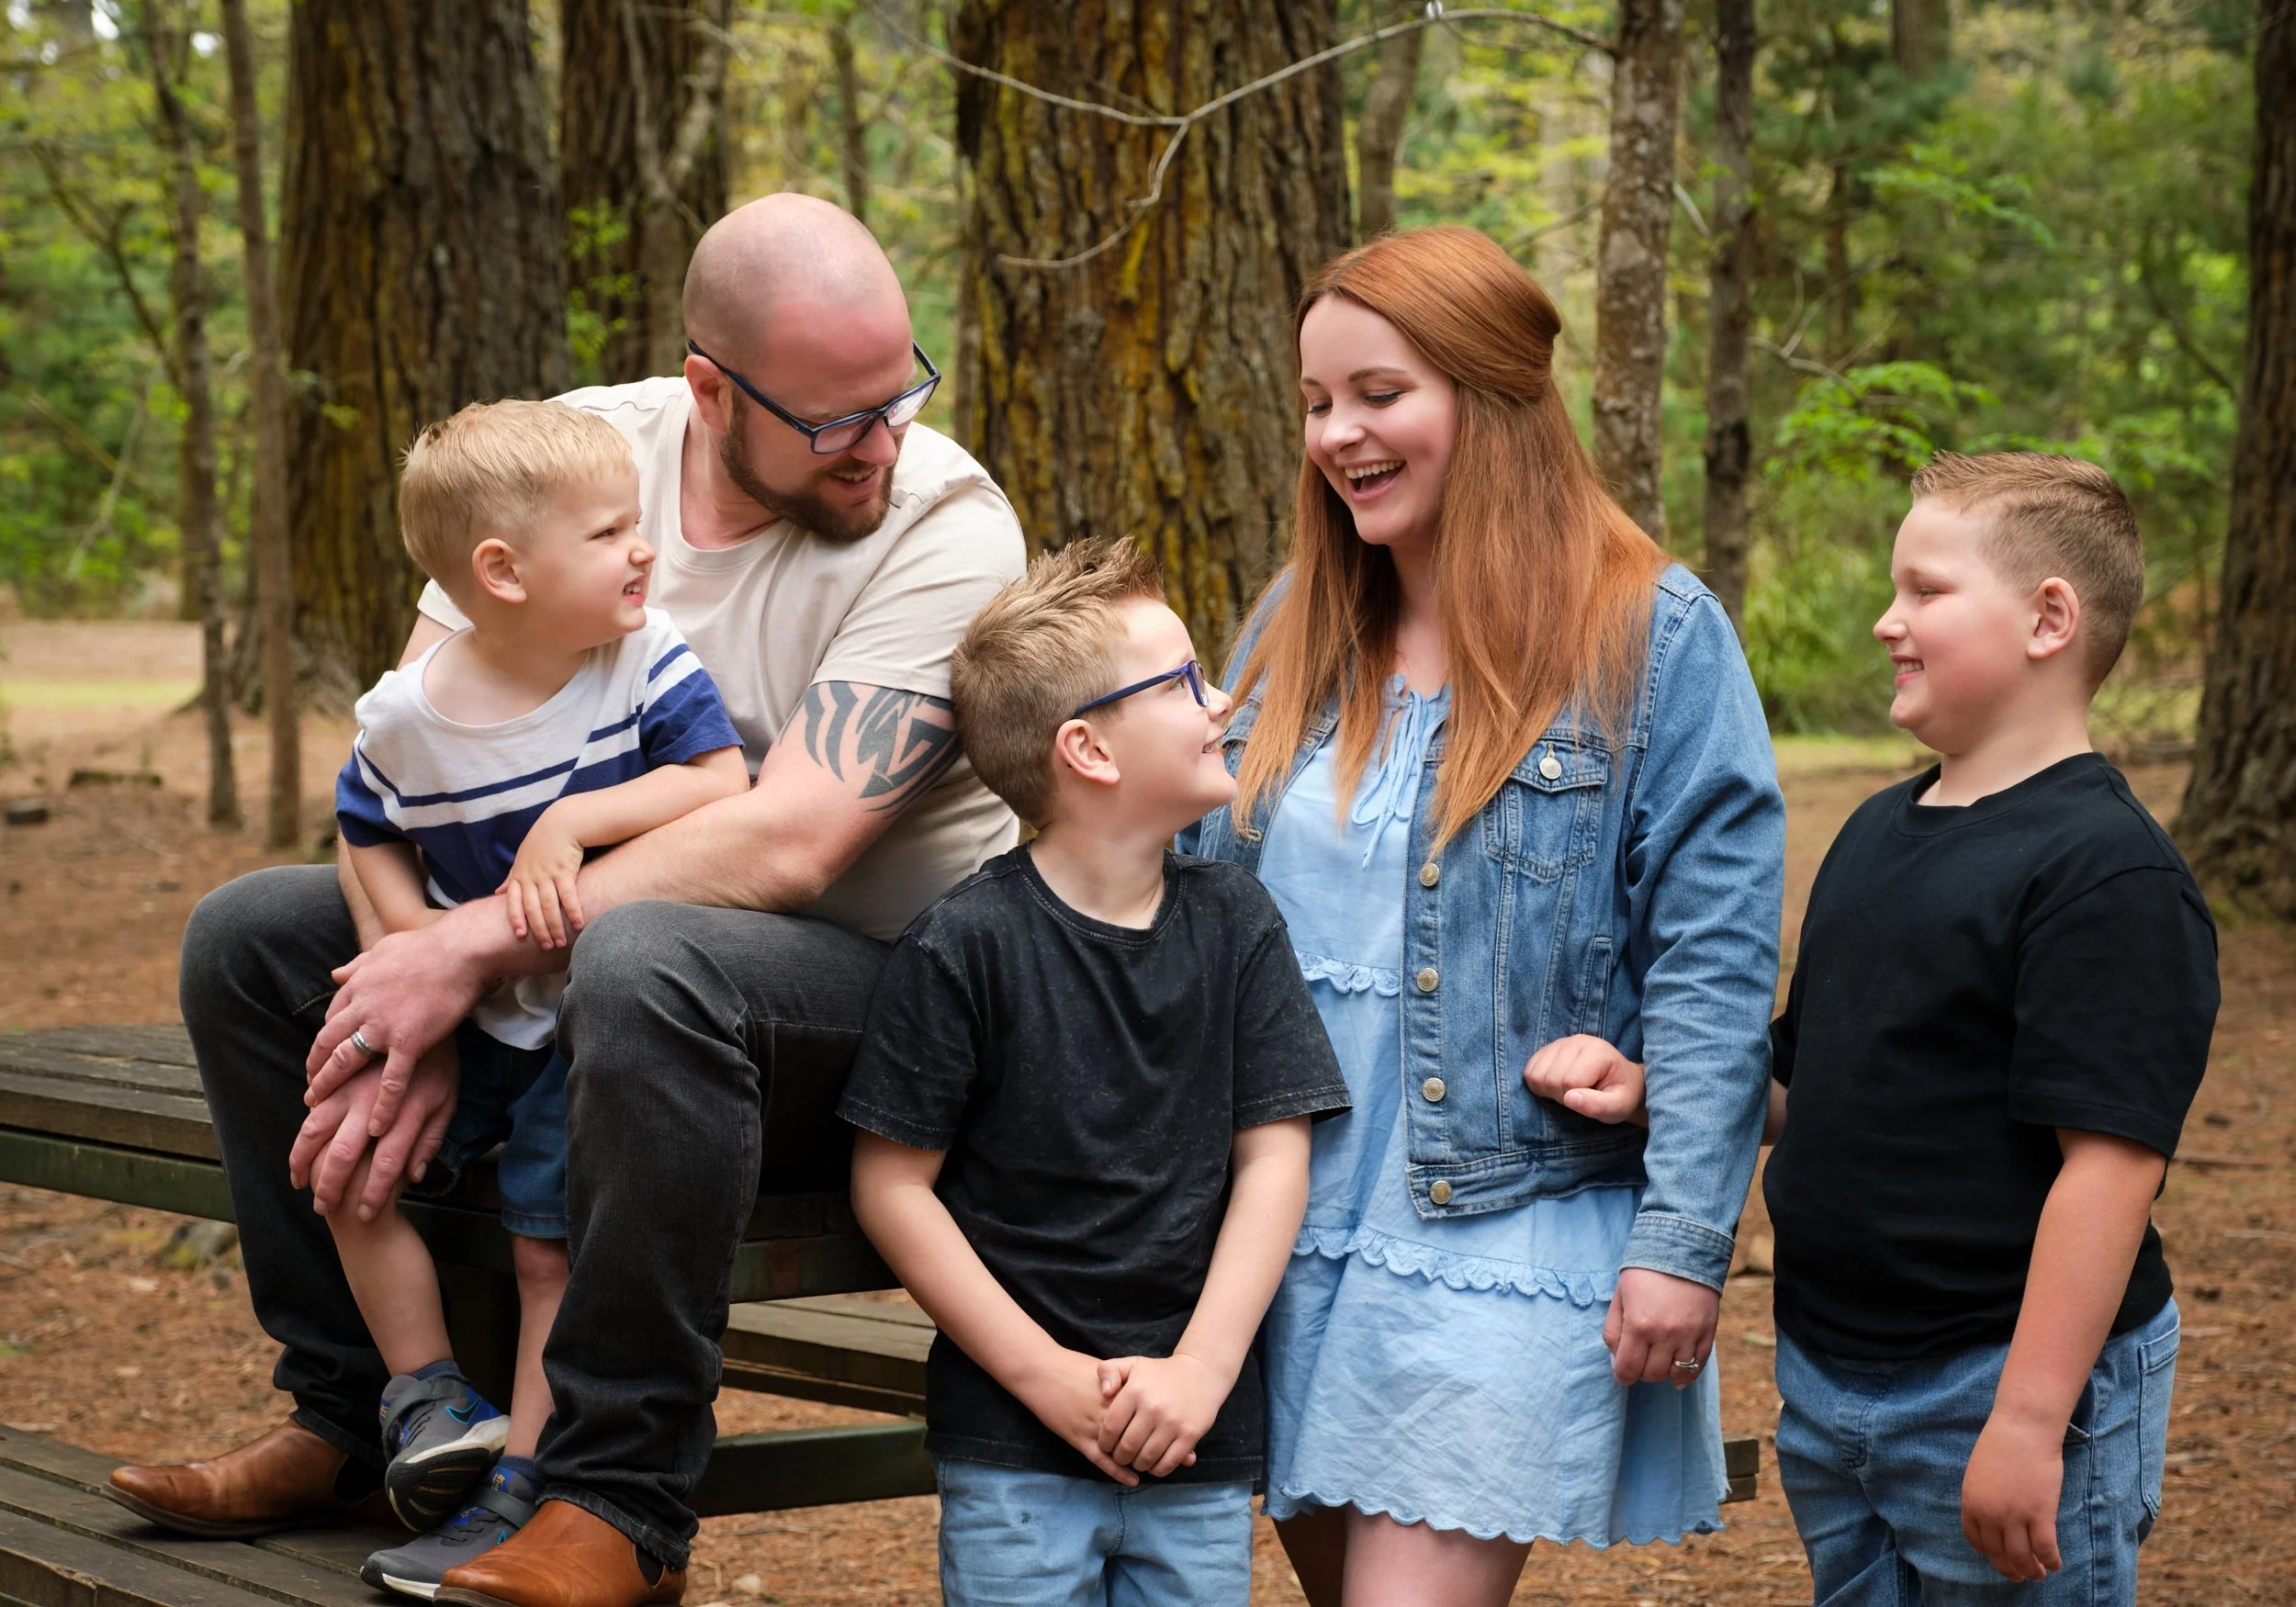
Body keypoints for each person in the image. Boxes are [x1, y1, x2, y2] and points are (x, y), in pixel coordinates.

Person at [108, 195, 1027, 1607]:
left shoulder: (945, 524)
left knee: (653, 958)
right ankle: (359, 1414)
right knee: (249, 937)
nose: (882, 442)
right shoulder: (580, 455)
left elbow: (790, 843)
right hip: (583, 962)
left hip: (873, 996)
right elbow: (403, 760)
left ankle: (615, 1496)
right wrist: (405, 988)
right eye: (839, 417)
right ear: (713, 387)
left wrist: (466, 953)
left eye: (902, 391)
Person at [1178, 226, 1785, 1606]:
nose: (1339, 434)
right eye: (1319, 402)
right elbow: (1190, 892)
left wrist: (1684, 1240)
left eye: (1380, 393)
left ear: (1494, 390)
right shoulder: (1295, 622)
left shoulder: (1654, 636)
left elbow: (1713, 958)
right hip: (1274, 1218)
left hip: (1497, 1220)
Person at [841, 540, 1352, 1606]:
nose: (1221, 700)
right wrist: (1045, 1378)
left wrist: (1205, 1372)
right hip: (1014, 1448)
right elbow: (892, 1185)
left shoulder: (1236, 921)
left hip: (1195, 1439)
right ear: (1088, 749)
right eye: (1182, 681)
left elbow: (1273, 1159)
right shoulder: (964, 945)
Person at [1764, 453, 2212, 1601]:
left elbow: (2107, 1173)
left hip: (1999, 1391)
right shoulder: (1875, 828)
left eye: (1923, 591)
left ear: (2046, 618)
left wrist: (2027, 1420)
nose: (1885, 621)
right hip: (1830, 1382)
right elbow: (1808, 1083)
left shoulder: (2104, 873)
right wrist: (1657, 1085)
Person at [326, 400, 747, 1594]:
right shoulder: (407, 715)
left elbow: (723, 779)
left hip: (587, 1020)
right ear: (499, 572)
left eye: (638, 524)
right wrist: (414, 959)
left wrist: (575, 819)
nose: (643, 551)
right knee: (347, 1167)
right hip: (480, 1020)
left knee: (545, 1253)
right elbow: (365, 827)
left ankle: (523, 1473)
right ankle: (425, 1404)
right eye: (609, 532)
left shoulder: (642, 661)